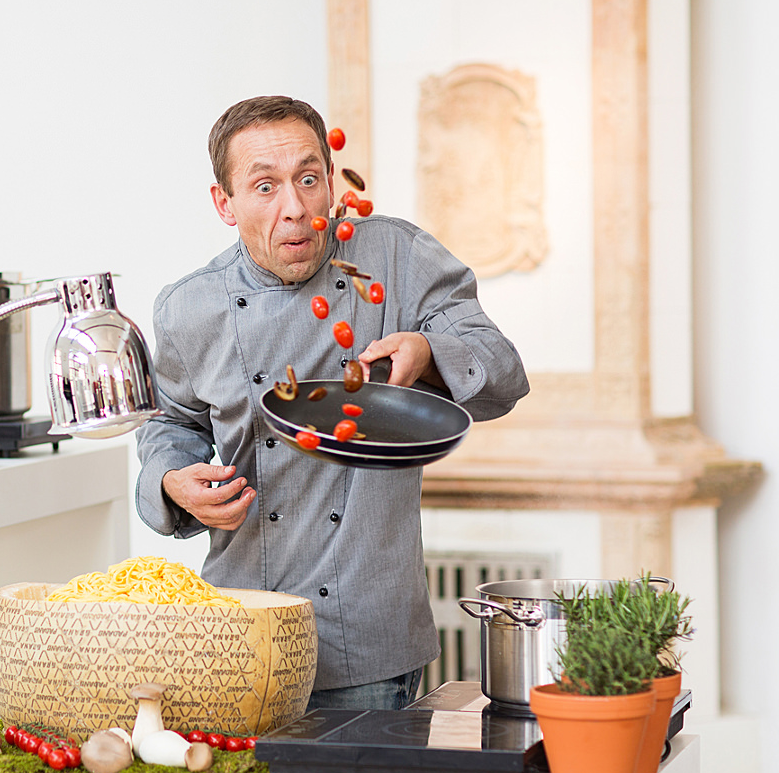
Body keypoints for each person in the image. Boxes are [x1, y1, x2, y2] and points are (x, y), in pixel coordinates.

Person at [135, 96, 529, 711]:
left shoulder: (396, 260)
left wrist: (427, 352)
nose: (295, 209)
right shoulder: (191, 306)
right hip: (240, 634)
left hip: (368, 643)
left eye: (308, 179)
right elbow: (172, 423)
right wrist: (171, 482)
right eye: (264, 187)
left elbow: (502, 369)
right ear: (224, 204)